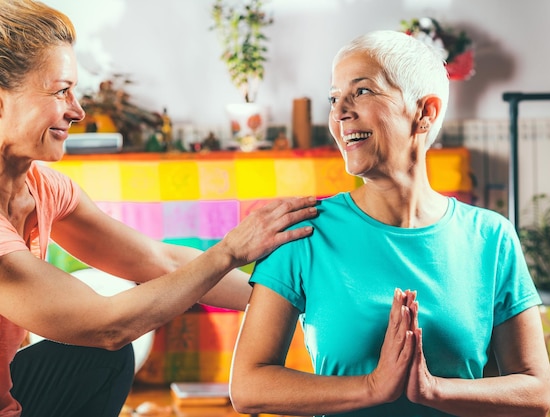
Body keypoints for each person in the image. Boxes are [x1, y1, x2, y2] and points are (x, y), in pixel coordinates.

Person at [0, 1, 317, 417]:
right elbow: (105, 323)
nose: (77, 111)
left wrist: (301, 298)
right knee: (105, 344)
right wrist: (229, 251)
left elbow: (159, 259)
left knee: (100, 362)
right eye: (61, 91)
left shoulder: (43, 187)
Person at [229, 30, 550, 417]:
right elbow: (248, 387)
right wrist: (371, 387)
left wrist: (434, 391)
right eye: (334, 98)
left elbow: (536, 391)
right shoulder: (303, 233)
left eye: (362, 92)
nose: (340, 112)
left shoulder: (491, 237)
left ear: (425, 112)